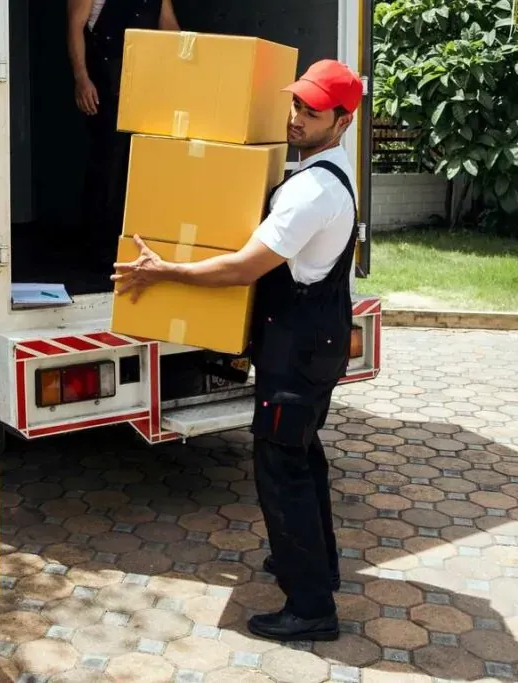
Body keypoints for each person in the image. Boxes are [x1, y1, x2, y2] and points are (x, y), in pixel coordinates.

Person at [110, 59, 365, 643]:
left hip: (297, 353)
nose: (296, 118)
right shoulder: (331, 172)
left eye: (311, 111)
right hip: (316, 344)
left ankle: (311, 607)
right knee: (304, 457)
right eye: (295, 104)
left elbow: (244, 268)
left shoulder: (311, 191)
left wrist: (166, 271)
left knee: (281, 471)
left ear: (342, 121)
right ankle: (316, 564)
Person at [67, 0, 180, 271]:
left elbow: (169, 28)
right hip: (106, 83)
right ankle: (97, 248)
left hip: (145, 83)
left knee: (138, 165)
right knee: (107, 164)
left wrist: (191, 60)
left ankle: (130, 243)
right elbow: (74, 27)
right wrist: (82, 79)